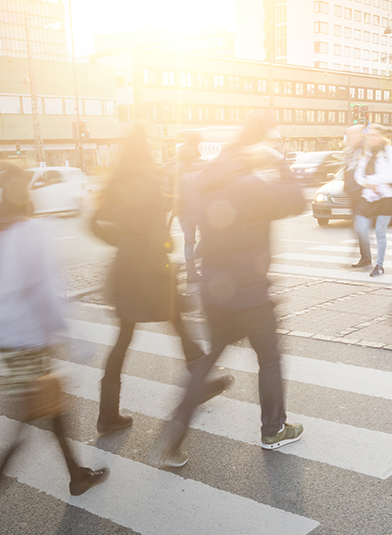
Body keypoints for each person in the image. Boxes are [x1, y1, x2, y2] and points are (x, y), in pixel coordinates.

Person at [0, 164, 108, 532]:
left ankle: (77, 474)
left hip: (9, 341)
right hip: (29, 340)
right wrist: (70, 337)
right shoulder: (32, 231)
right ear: (26, 193)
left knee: (53, 409)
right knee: (26, 425)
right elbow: (44, 292)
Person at [152, 115, 306, 468]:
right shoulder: (251, 186)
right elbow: (296, 201)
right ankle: (273, 430)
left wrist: (243, 146)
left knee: (208, 358)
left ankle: (173, 434)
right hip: (251, 293)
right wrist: (281, 162)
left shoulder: (206, 184)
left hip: (215, 290)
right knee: (268, 358)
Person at [91, 125, 208, 435]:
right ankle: (200, 378)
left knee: (123, 340)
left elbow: (94, 223)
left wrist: (123, 241)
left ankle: (107, 414)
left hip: (126, 270)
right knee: (177, 320)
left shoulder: (117, 182)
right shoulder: (151, 181)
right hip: (150, 270)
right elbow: (158, 229)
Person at [352, 125, 392, 277]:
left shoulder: (390, 152)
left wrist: (373, 181)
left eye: (374, 135)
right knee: (360, 227)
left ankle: (379, 265)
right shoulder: (366, 153)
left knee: (380, 231)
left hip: (387, 197)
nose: (371, 138)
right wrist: (367, 183)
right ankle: (367, 258)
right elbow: (358, 174)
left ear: (381, 136)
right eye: (369, 135)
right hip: (368, 196)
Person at [174, 131, 205, 286]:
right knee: (207, 237)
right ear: (197, 142)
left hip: (183, 210)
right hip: (199, 208)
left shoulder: (178, 163)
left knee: (188, 242)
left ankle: (191, 273)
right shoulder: (199, 162)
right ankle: (203, 267)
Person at [340, 125, 371, 267]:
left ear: (360, 135)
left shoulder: (365, 149)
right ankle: (364, 255)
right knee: (357, 227)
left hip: (361, 193)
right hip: (352, 193)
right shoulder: (350, 151)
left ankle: (366, 258)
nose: (350, 138)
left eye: (353, 135)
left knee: (360, 226)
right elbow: (347, 169)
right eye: (349, 135)